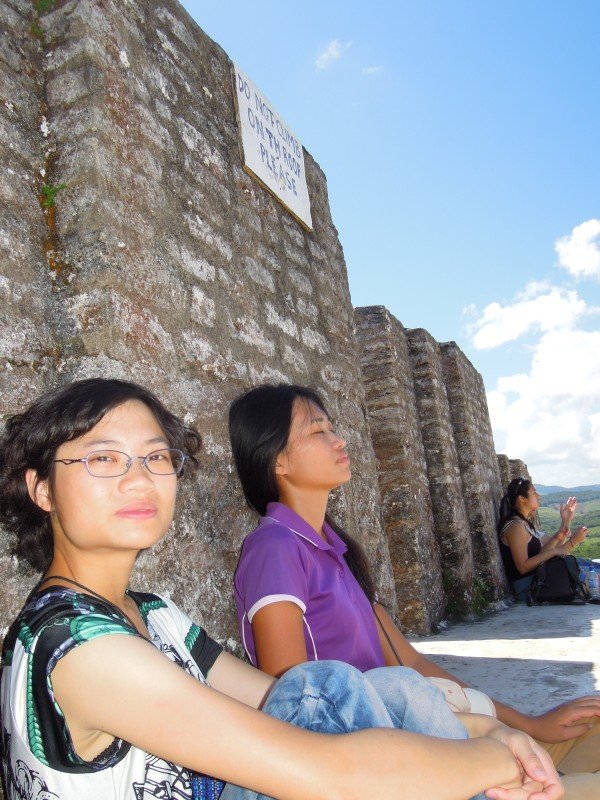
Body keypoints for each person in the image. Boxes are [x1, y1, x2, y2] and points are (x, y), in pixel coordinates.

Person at [0, 378, 561, 800]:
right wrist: (495, 758)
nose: (139, 477)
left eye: (155, 457)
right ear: (41, 488)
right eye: (103, 458)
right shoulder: (76, 646)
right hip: (323, 777)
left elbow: (297, 698)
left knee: (335, 685)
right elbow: (331, 773)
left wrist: (486, 730)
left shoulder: (154, 614)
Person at [229, 383, 600, 795]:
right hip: (377, 760)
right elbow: (297, 703)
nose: (339, 439)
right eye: (318, 431)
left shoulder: (336, 552)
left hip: (420, 732)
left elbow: (414, 665)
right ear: (277, 459)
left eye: (333, 428)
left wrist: (529, 723)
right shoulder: (275, 547)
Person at [497, 478, 588, 600]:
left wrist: (565, 523)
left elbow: (543, 555)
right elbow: (523, 567)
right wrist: (572, 542)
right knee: (586, 571)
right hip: (530, 587)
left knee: (586, 568)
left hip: (538, 581)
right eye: (534, 493)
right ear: (522, 499)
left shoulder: (523, 524)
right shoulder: (516, 527)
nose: (538, 495)